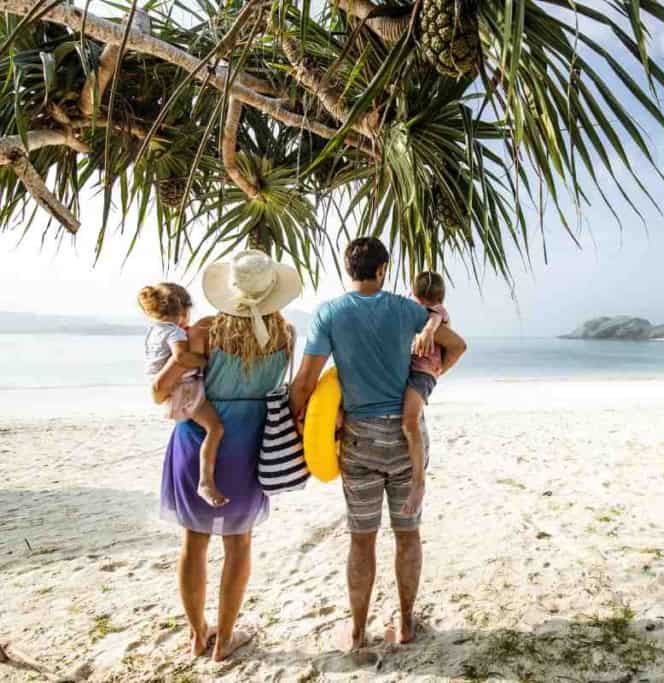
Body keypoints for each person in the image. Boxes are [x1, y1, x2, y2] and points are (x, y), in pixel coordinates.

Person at [289, 238, 467, 650]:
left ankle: (355, 632)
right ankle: (405, 625)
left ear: (347, 268)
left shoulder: (329, 313)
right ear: (384, 269)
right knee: (408, 534)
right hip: (408, 441)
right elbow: (454, 345)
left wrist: (301, 430)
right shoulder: (409, 310)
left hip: (359, 441)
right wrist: (430, 379)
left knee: (361, 538)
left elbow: (304, 382)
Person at [152, 250, 301, 661]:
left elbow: (163, 389)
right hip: (252, 441)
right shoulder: (286, 334)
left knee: (193, 541)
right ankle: (225, 639)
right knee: (239, 543)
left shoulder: (202, 331)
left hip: (199, 435)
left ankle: (198, 634)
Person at [139, 282, 227, 508]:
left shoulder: (154, 330)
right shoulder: (176, 331)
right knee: (215, 428)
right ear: (184, 311)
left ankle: (205, 481)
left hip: (170, 391)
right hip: (183, 390)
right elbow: (180, 358)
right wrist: (206, 361)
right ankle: (206, 481)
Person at [400, 271, 457, 518]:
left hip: (423, 374)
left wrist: (427, 332)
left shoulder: (435, 314)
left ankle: (419, 482)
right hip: (420, 370)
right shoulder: (419, 311)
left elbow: (433, 320)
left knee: (409, 421)